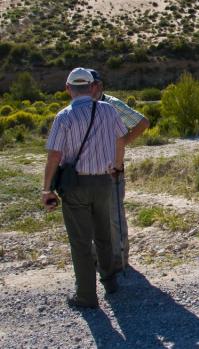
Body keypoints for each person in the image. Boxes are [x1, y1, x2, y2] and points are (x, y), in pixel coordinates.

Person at [42, 67, 128, 308]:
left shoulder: (64, 116)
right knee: (103, 235)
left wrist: (46, 189)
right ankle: (110, 282)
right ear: (92, 87)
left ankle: (86, 295)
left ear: (68, 88)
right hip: (104, 181)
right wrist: (117, 166)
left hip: (76, 185)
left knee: (80, 242)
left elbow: (54, 155)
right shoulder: (108, 110)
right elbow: (121, 139)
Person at [89, 69, 150, 272]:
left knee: (114, 216)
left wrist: (122, 142)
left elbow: (142, 123)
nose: (90, 89)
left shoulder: (112, 104)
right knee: (92, 216)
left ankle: (119, 258)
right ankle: (97, 257)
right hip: (89, 171)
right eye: (87, 85)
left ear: (100, 85)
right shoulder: (82, 106)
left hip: (112, 170)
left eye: (93, 84)